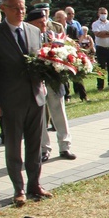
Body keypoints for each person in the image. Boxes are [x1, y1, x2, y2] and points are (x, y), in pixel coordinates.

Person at [0, 0, 52, 206]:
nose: (21, 12)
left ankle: (35, 185)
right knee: (13, 147)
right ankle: (18, 189)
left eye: (23, 7)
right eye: (15, 8)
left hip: (36, 97)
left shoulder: (32, 30)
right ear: (3, 9)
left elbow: (40, 60)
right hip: (10, 101)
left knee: (34, 145)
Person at [26, 9, 76, 162]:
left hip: (54, 80)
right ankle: (44, 149)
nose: (43, 25)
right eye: (39, 22)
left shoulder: (52, 35)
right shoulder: (27, 37)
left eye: (44, 21)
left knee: (59, 112)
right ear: (30, 24)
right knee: (40, 116)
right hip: (36, 82)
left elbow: (64, 51)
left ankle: (65, 146)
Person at [92, 7, 109, 90]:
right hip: (101, 48)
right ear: (98, 14)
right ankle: (100, 86)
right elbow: (98, 34)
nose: (103, 15)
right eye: (102, 13)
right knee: (100, 68)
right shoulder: (95, 24)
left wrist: (106, 32)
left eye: (105, 13)